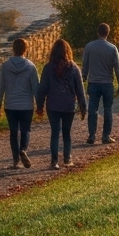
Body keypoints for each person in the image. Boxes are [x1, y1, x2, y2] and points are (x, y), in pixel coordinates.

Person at [35, 39, 87, 169]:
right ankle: (67, 159)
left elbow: (42, 89)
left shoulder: (48, 68)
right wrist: (83, 107)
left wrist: (40, 105)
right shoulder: (74, 68)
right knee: (67, 133)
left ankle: (54, 161)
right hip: (68, 105)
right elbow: (80, 90)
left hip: (53, 105)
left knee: (55, 132)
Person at [0, 37, 39, 169]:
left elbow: (0, 86)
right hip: (26, 105)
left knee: (13, 132)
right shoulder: (31, 67)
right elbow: (36, 87)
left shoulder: (5, 66)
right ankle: (23, 150)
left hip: (10, 105)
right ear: (25, 50)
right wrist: (40, 105)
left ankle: (15, 160)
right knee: (25, 130)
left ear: (13, 49)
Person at [81, 23, 119, 144]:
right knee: (107, 109)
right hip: (107, 83)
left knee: (92, 109)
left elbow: (85, 64)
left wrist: (83, 77)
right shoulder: (112, 48)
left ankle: (91, 135)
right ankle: (106, 135)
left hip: (93, 82)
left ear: (97, 32)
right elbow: (117, 68)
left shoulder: (89, 47)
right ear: (107, 33)